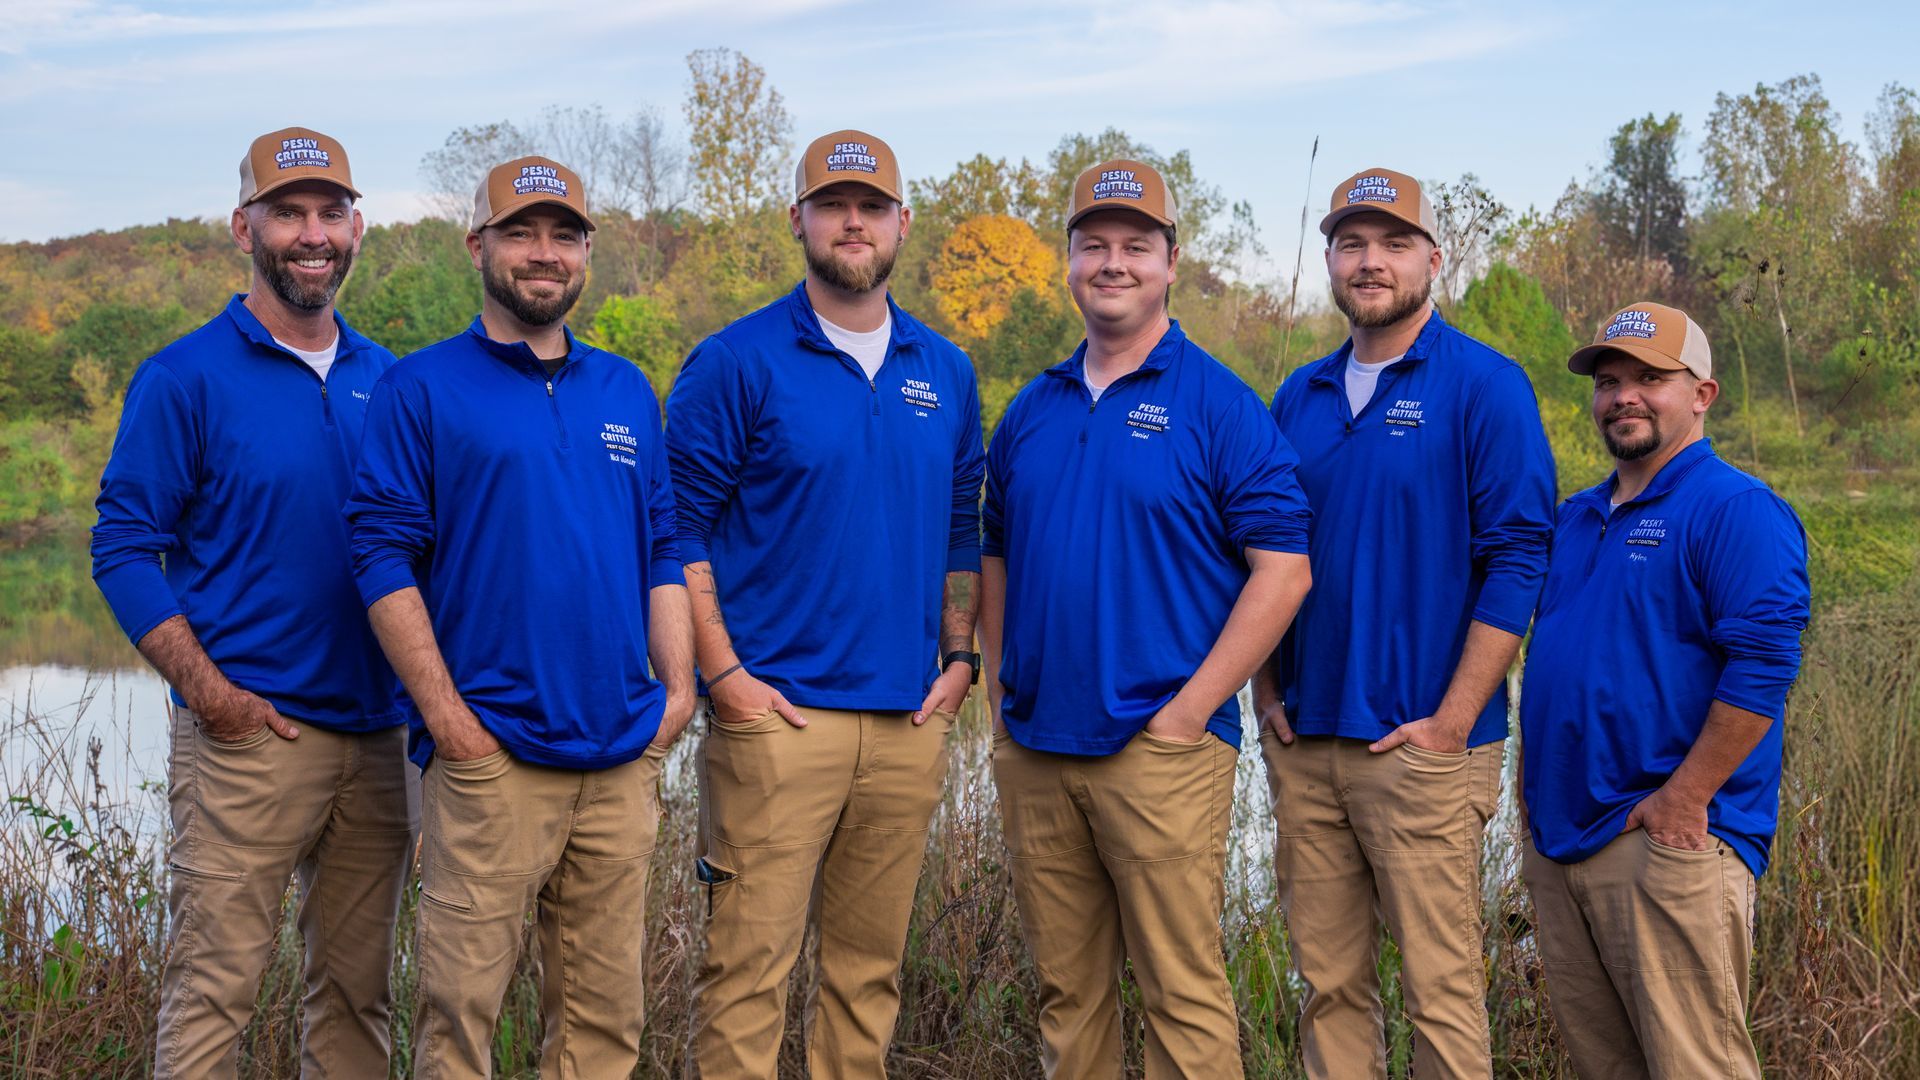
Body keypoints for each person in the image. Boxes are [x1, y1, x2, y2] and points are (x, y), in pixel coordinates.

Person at [345, 156, 694, 1079]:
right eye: (521, 233)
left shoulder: (625, 390)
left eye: (563, 235)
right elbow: (380, 556)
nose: (544, 254)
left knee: (602, 1022)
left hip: (620, 760)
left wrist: (682, 690)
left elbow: (661, 543)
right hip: (490, 761)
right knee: (459, 1019)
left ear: (585, 252)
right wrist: (448, 721)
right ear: (479, 246)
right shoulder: (421, 389)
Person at [981, 158, 1314, 1078]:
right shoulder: (1032, 409)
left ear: (1172, 263)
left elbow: (1284, 572)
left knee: (1181, 995)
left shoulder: (1219, 406)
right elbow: (996, 545)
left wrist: (1186, 712)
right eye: (1095, 246)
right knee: (1067, 994)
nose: (1113, 263)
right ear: (1070, 261)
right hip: (1040, 750)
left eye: (1136, 246)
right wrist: (1003, 686)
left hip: (1162, 752)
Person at [91, 126, 410, 1079]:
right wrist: (211, 694)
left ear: (358, 229)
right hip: (246, 740)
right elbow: (122, 547)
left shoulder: (389, 379)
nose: (312, 234)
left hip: (380, 739)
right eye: (288, 213)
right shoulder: (184, 377)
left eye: (330, 213)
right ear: (244, 227)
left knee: (358, 999)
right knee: (213, 993)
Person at [669, 129, 986, 1079]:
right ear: (799, 217)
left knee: (866, 980)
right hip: (776, 722)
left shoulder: (947, 370)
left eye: (873, 206)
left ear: (901, 222)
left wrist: (961, 658)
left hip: (903, 724)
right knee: (745, 980)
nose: (855, 222)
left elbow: (961, 532)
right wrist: (722, 675)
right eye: (835, 204)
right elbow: (676, 531)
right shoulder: (737, 362)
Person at [1259, 166, 1556, 1077]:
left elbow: (1519, 557)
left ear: (1433, 258)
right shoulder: (1297, 398)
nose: (1371, 261)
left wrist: (1455, 722)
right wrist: (1267, 691)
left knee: (1441, 991)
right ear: (1329, 262)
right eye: (1352, 243)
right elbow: (1262, 556)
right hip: (1309, 746)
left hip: (1424, 747)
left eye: (1393, 243)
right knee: (1330, 986)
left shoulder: (1484, 386)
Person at [1520, 302, 1809, 1080]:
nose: (1625, 397)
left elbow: (1765, 665)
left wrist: (1684, 801)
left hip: (1666, 843)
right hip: (1566, 846)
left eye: (1651, 378)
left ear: (1703, 394)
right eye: (1609, 381)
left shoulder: (1735, 510)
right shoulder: (1576, 518)